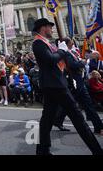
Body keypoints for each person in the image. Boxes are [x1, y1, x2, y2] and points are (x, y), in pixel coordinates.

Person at [32, 18, 102, 155]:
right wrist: (62, 51)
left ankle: (42, 150)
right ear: (43, 28)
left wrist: (64, 52)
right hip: (55, 85)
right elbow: (51, 60)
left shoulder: (47, 43)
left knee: (47, 120)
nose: (52, 30)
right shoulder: (38, 43)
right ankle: (97, 150)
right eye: (49, 27)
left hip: (54, 84)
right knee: (78, 118)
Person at [54, 38, 103, 135]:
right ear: (67, 43)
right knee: (73, 104)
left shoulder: (72, 53)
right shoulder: (66, 54)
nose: (73, 42)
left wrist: (85, 60)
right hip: (74, 82)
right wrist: (84, 61)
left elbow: (79, 61)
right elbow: (73, 65)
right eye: (71, 41)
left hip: (79, 81)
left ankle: (98, 126)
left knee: (86, 104)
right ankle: (58, 120)